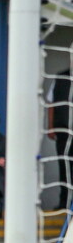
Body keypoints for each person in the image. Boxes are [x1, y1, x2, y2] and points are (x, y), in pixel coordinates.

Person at [46, 68, 72, 209]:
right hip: (63, 130)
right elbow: (51, 102)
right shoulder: (60, 77)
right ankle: (65, 202)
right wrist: (50, 126)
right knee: (64, 167)